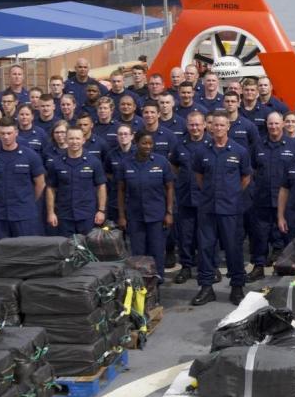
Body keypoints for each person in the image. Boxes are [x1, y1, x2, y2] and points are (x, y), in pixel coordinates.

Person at [192, 111, 252, 306]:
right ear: (210, 127)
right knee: (206, 248)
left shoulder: (239, 151)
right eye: (214, 125)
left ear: (228, 127)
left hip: (230, 209)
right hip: (208, 209)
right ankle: (207, 287)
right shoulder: (202, 151)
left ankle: (237, 287)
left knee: (233, 249)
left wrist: (230, 194)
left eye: (221, 125)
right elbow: (199, 177)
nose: (218, 128)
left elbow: (245, 178)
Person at [0, 116, 46, 254]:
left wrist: (27, 201)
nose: (5, 137)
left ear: (16, 133)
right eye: (2, 133)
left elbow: (40, 184)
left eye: (9, 133)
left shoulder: (30, 156)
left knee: (27, 252)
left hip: (23, 213)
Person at [118, 131, 175, 281]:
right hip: (135, 216)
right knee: (138, 253)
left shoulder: (161, 162)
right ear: (136, 143)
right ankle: (140, 283)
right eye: (144, 143)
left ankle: (157, 281)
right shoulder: (126, 163)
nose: (148, 146)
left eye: (150, 143)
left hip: (157, 215)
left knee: (156, 251)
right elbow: (121, 191)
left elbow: (169, 187)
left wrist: (169, 213)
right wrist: (122, 216)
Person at [248, 112, 295, 280]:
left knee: (287, 236)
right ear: (266, 125)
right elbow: (252, 169)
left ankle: (287, 268)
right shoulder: (258, 145)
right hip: (262, 199)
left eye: (277, 123)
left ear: (283, 124)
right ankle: (258, 266)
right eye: (270, 124)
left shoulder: (293, 145)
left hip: (286, 201)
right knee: (259, 236)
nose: (273, 127)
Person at [170, 110, 210, 285]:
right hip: (186, 197)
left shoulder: (211, 144)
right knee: (185, 236)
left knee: (208, 236)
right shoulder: (180, 145)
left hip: (206, 199)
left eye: (198, 124)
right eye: (191, 124)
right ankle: (186, 266)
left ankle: (209, 268)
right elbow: (174, 167)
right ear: (187, 125)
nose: (195, 128)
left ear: (204, 125)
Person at [45, 124, 107, 236]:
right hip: (64, 215)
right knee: (66, 248)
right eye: (71, 138)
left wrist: (101, 210)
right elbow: (50, 189)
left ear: (83, 140)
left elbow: (101, 187)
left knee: (87, 249)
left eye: (77, 138)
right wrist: (51, 213)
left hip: (87, 214)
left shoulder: (93, 162)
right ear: (66, 140)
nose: (74, 142)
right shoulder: (56, 163)